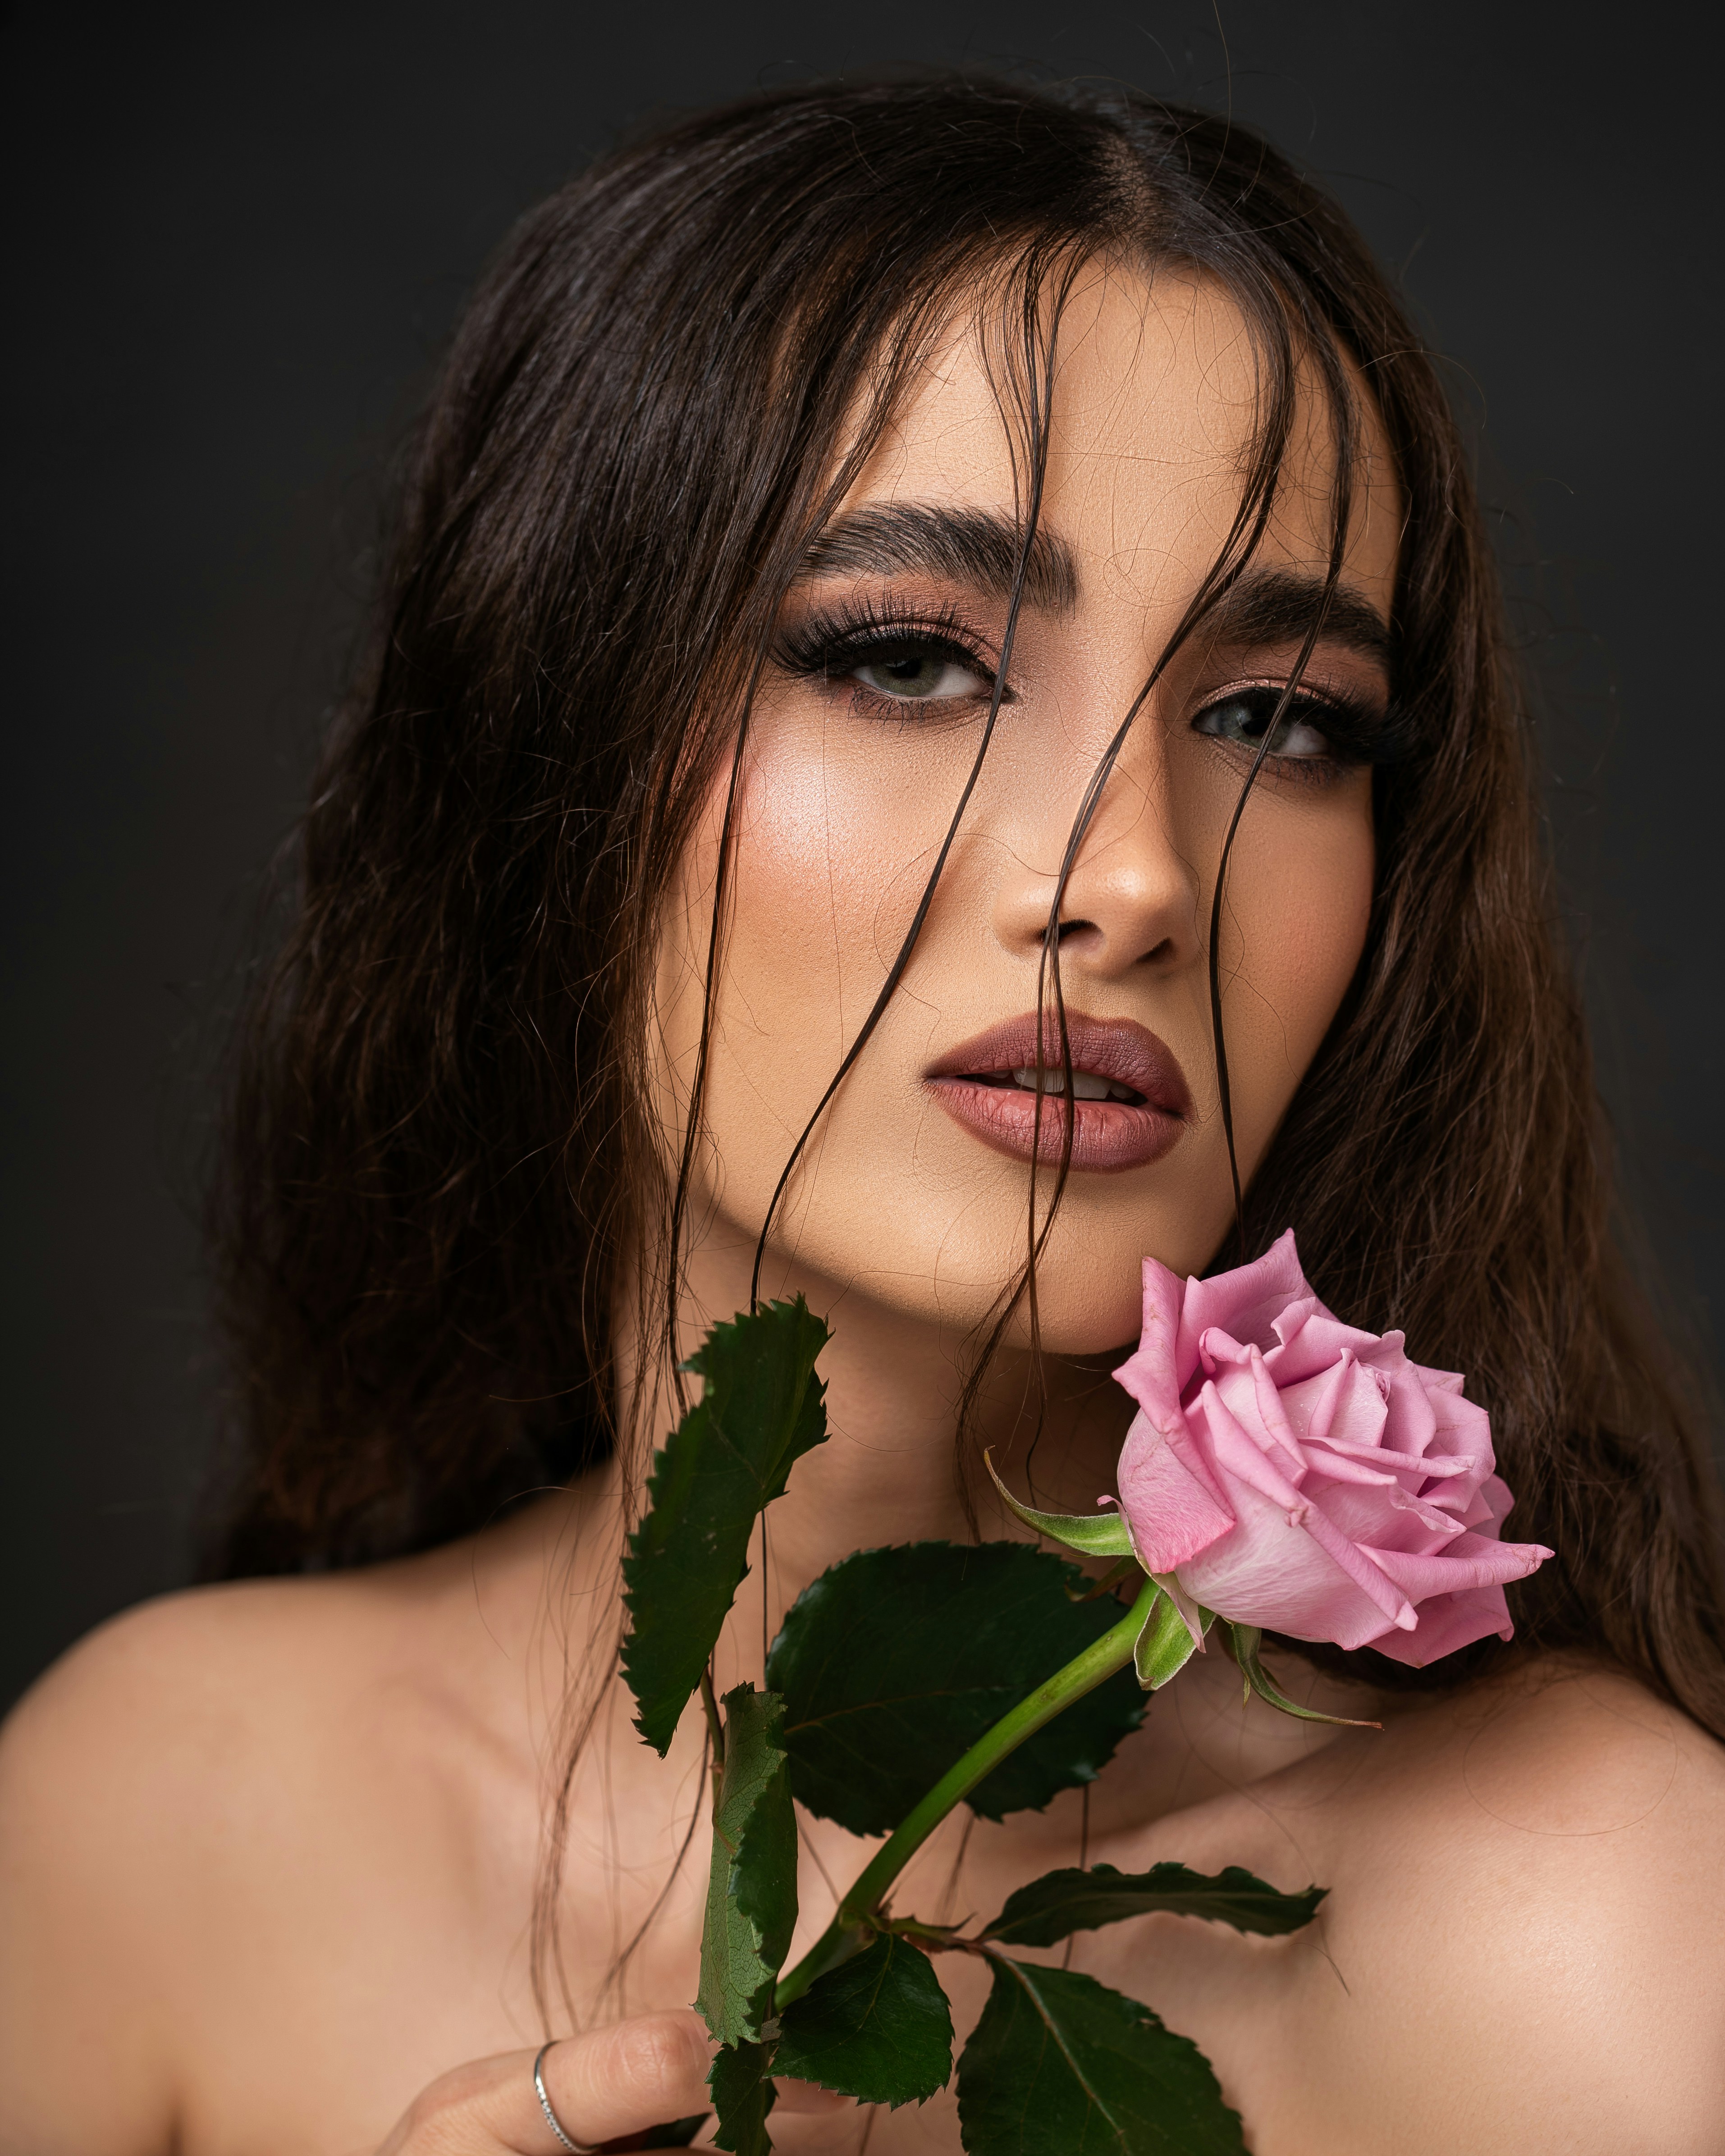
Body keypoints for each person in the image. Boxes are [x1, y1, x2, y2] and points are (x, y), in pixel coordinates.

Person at [2, 72, 1722, 2156]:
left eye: (1280, 720)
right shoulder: (136, 1822)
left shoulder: (1590, 1923)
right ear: (551, 731)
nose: (1140, 872)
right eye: (907, 658)